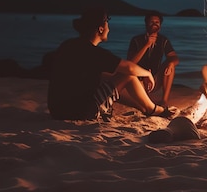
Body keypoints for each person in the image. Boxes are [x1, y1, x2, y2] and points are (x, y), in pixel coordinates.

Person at [47, 7, 175, 121]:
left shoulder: (69, 45)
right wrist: (147, 73)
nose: (109, 28)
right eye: (107, 23)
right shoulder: (95, 53)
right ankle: (153, 109)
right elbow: (129, 67)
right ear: (101, 29)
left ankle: (143, 107)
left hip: (57, 111)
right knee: (128, 75)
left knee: (108, 76)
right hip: (82, 112)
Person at [127, 10, 180, 107]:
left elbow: (174, 57)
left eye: (157, 22)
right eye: (151, 22)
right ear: (146, 24)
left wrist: (171, 64)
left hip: (155, 79)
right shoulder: (136, 40)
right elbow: (130, 63)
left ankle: (164, 100)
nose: (154, 24)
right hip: (139, 80)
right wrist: (146, 45)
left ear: (160, 26)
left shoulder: (163, 40)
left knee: (170, 65)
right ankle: (144, 100)